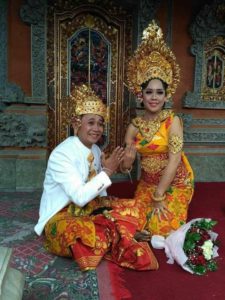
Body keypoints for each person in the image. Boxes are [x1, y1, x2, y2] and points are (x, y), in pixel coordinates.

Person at [34, 84, 158, 271]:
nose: (97, 128)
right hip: (62, 214)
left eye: (100, 123)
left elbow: (98, 189)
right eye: (91, 122)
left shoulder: (95, 149)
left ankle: (118, 231)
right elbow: (79, 197)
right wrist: (107, 171)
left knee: (139, 206)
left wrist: (123, 167)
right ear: (77, 124)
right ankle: (122, 233)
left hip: (90, 207)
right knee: (81, 234)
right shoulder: (62, 154)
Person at [119, 20, 194, 238]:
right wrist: (128, 161)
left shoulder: (173, 122)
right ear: (140, 95)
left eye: (159, 92)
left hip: (175, 182)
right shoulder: (134, 126)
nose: (154, 97)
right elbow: (125, 166)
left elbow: (174, 159)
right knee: (135, 221)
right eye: (149, 92)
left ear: (166, 95)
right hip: (148, 182)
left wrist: (159, 194)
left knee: (162, 227)